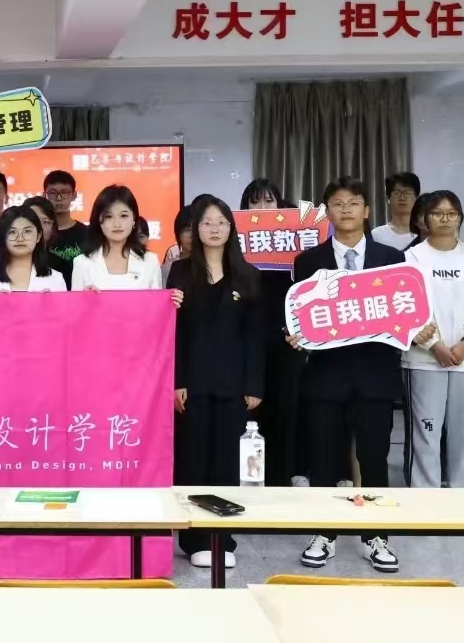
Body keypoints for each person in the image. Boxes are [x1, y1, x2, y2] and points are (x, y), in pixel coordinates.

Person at [291, 176, 407, 574]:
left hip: (376, 376)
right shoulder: (308, 261)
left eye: (353, 203)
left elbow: (403, 310)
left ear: (367, 210)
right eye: (337, 204)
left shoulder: (392, 259)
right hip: (326, 377)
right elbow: (300, 315)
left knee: (374, 459)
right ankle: (324, 533)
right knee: (323, 460)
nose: (346, 210)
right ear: (327, 212)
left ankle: (376, 537)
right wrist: (295, 335)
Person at [167, 194, 262, 569]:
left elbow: (255, 336)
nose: (214, 229)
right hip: (192, 382)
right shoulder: (180, 272)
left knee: (227, 461)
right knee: (193, 460)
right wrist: (176, 380)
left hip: (234, 383)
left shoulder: (247, 275)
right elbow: (174, 332)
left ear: (231, 228)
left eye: (221, 222)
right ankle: (193, 538)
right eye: (206, 223)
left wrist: (254, 384)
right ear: (195, 229)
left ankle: (223, 537)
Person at [403, 190, 464, 490]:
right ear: (425, 219)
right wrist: (435, 346)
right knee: (426, 432)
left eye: (452, 213)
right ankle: (425, 495)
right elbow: (407, 304)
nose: (445, 218)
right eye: (438, 213)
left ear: (460, 218)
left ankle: (463, 497)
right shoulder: (412, 257)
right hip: (425, 360)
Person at [239, 178, 303, 492]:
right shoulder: (235, 244)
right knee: (250, 414)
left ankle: (280, 483)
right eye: (255, 202)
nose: (262, 208)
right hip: (245, 343)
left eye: (268, 201)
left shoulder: (296, 241)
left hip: (285, 342)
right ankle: (248, 483)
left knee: (284, 414)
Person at [71, 185, 164, 291]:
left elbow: (157, 301)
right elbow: (75, 302)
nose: (117, 224)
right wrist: (84, 298)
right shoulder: (82, 263)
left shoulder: (150, 261)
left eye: (124, 216)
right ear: (98, 221)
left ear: (134, 220)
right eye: (108, 216)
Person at [0, 205, 67, 292]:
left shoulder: (56, 279)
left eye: (27, 231)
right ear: (2, 237)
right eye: (12, 232)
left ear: (38, 236)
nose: (20, 239)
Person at [23, 195, 73, 287]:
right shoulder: (7, 263)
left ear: (53, 227)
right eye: (35, 220)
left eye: (46, 222)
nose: (40, 227)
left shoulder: (62, 266)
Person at [44, 170, 88, 269]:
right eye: (52, 193)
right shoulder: (38, 234)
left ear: (74, 195)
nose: (59, 198)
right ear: (44, 195)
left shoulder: (87, 234)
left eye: (64, 192)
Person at [371, 172, 421, 251]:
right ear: (388, 198)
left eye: (408, 193)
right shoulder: (376, 235)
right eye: (397, 193)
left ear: (416, 198)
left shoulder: (423, 234)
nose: (402, 198)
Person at [162, 207, 193, 280]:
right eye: (188, 229)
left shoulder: (213, 266)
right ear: (177, 234)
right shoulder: (168, 269)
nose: (192, 235)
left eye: (196, 229)